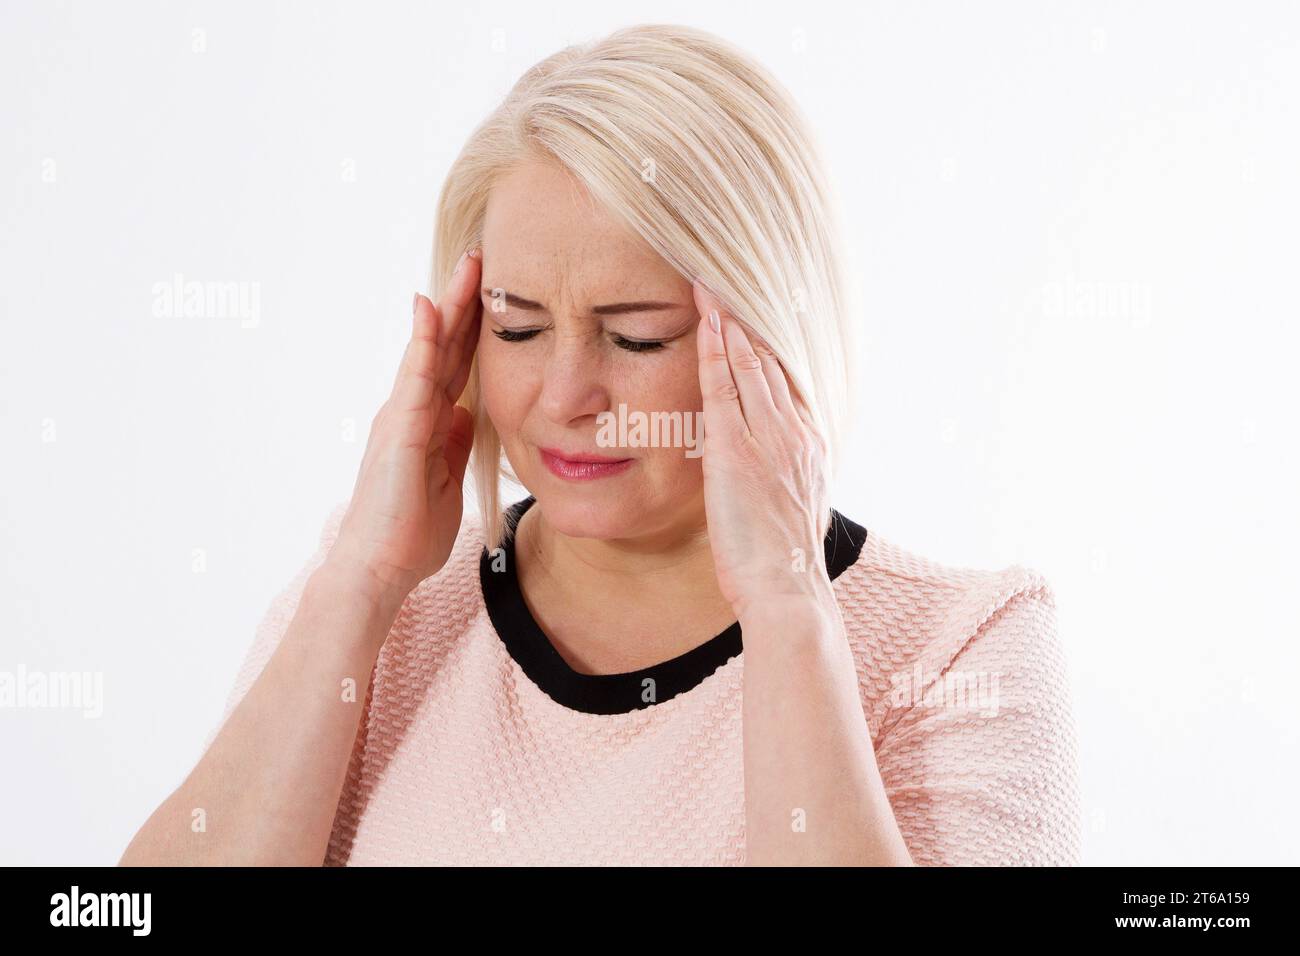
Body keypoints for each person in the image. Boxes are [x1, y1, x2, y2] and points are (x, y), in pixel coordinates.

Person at [120, 23, 1081, 866]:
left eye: (636, 336)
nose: (564, 395)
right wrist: (360, 584)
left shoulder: (963, 647)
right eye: (518, 327)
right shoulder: (379, 603)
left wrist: (788, 609)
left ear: (771, 337)